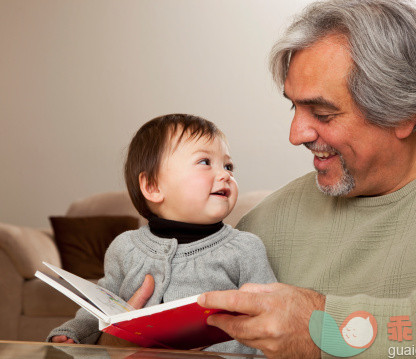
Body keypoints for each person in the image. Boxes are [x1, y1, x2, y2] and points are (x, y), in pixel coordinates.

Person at [194, 1, 416, 358]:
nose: (296, 134)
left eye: (323, 113)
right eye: (293, 107)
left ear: (403, 113)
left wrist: (330, 330)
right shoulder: (265, 225)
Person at [46, 114, 276, 354]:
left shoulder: (246, 248)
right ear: (153, 187)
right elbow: (100, 307)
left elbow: (270, 319)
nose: (225, 174)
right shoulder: (125, 248)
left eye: (228, 166)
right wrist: (74, 332)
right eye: (205, 162)